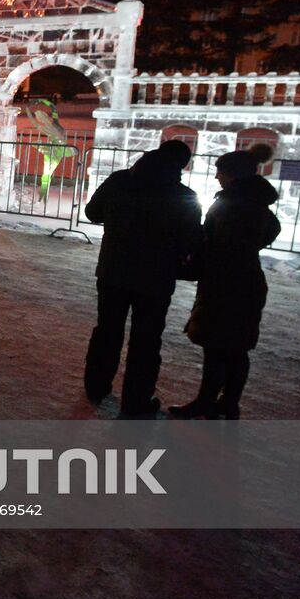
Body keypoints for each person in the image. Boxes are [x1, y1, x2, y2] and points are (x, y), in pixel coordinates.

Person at [82, 140, 203, 416]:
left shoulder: (120, 181)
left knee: (107, 330)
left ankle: (96, 385)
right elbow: (190, 243)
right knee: (146, 341)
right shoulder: (183, 196)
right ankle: (136, 402)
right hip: (155, 278)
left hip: (113, 270)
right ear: (183, 165)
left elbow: (92, 212)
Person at [170, 144, 280, 420]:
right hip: (247, 278)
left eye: (220, 172)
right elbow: (271, 229)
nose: (217, 177)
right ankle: (229, 403)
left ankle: (206, 402)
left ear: (231, 174)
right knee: (237, 347)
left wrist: (190, 264)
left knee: (217, 346)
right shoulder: (256, 201)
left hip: (225, 280)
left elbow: (213, 243)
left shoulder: (232, 203)